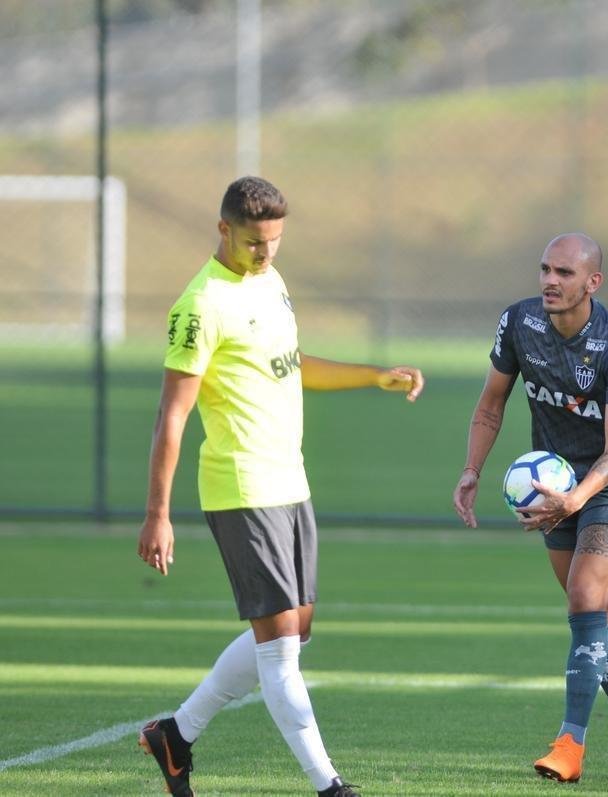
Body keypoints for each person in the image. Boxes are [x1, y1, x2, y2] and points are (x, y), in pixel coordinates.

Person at [136, 176, 425, 797]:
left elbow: (293, 366)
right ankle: (330, 786)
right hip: (241, 488)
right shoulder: (199, 305)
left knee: (298, 629)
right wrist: (157, 513)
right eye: (252, 243)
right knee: (280, 652)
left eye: (274, 242)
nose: (265, 254)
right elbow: (172, 414)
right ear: (223, 230)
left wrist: (374, 376)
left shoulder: (271, 280)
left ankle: (175, 735)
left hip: (290, 481)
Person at [452, 232, 608, 786]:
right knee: (596, 617)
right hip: (556, 487)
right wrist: (472, 470)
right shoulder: (518, 324)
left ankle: (570, 745)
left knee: (583, 597)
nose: (550, 281)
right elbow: (490, 404)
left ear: (592, 283)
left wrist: (575, 499)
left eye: (565, 273)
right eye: (545, 270)